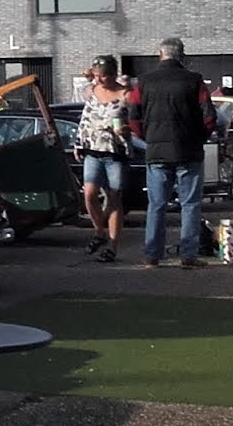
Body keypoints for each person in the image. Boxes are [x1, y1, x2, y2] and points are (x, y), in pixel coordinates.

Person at [128, 37, 215, 268]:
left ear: (160, 54)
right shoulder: (194, 80)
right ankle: (188, 255)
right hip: (189, 150)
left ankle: (152, 255)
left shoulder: (144, 82)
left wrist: (147, 137)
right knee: (190, 204)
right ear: (182, 55)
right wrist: (199, 137)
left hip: (156, 150)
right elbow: (208, 116)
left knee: (156, 205)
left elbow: (133, 116)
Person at [76, 56, 130, 264]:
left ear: (113, 74)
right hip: (92, 148)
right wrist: (79, 143)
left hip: (114, 150)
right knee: (89, 193)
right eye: (97, 76)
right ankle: (99, 231)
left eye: (104, 76)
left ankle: (112, 246)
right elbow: (85, 119)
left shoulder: (124, 94)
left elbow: (135, 118)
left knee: (114, 198)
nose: (100, 80)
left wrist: (126, 130)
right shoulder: (91, 91)